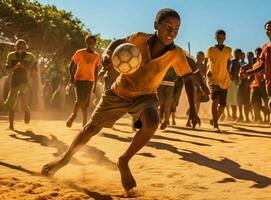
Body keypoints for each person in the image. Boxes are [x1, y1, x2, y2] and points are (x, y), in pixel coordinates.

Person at [42, 8, 203, 192]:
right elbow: (118, 42)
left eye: (176, 28)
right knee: (91, 129)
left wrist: (193, 108)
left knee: (152, 121)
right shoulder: (139, 38)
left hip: (146, 96)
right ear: (155, 26)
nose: (172, 31)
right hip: (119, 93)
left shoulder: (176, 54)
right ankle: (65, 158)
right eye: (168, 26)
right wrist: (108, 53)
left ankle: (124, 160)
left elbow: (188, 79)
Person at [66, 35, 100, 127]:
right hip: (79, 80)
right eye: (88, 42)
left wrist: (95, 86)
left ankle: (84, 123)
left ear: (94, 44)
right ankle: (73, 115)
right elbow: (71, 65)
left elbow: (96, 71)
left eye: (91, 42)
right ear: (86, 43)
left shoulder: (97, 56)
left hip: (90, 82)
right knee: (79, 100)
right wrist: (72, 77)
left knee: (85, 104)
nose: (90, 44)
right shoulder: (79, 52)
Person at [4, 39, 37, 130]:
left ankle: (26, 110)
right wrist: (15, 67)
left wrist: (24, 67)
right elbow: (8, 69)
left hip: (25, 81)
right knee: (10, 104)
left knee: (21, 94)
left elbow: (34, 68)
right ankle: (11, 125)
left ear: (25, 47)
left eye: (23, 46)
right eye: (19, 46)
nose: (21, 48)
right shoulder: (11, 56)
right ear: (16, 47)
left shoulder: (30, 56)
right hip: (14, 81)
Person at [206, 29, 232, 132]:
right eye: (218, 37)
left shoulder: (228, 50)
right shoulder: (210, 49)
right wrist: (206, 72)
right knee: (215, 100)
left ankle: (214, 119)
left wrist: (229, 75)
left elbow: (228, 64)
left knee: (222, 105)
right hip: (213, 79)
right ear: (216, 38)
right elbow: (206, 63)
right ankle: (215, 125)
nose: (220, 39)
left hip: (224, 79)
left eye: (222, 37)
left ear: (225, 38)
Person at [237, 52, 254, 122]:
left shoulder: (255, 66)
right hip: (242, 85)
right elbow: (240, 75)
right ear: (247, 57)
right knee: (240, 101)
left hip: (251, 86)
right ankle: (241, 116)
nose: (250, 58)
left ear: (253, 57)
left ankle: (247, 118)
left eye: (251, 56)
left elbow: (254, 77)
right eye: (248, 56)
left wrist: (248, 84)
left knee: (247, 103)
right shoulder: (244, 66)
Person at [226, 48, 242, 121]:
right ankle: (233, 116)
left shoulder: (236, 62)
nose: (238, 55)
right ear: (234, 54)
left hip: (233, 82)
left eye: (239, 54)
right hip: (232, 82)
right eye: (237, 53)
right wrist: (233, 80)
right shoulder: (234, 61)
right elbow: (230, 71)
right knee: (232, 100)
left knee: (232, 100)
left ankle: (233, 116)